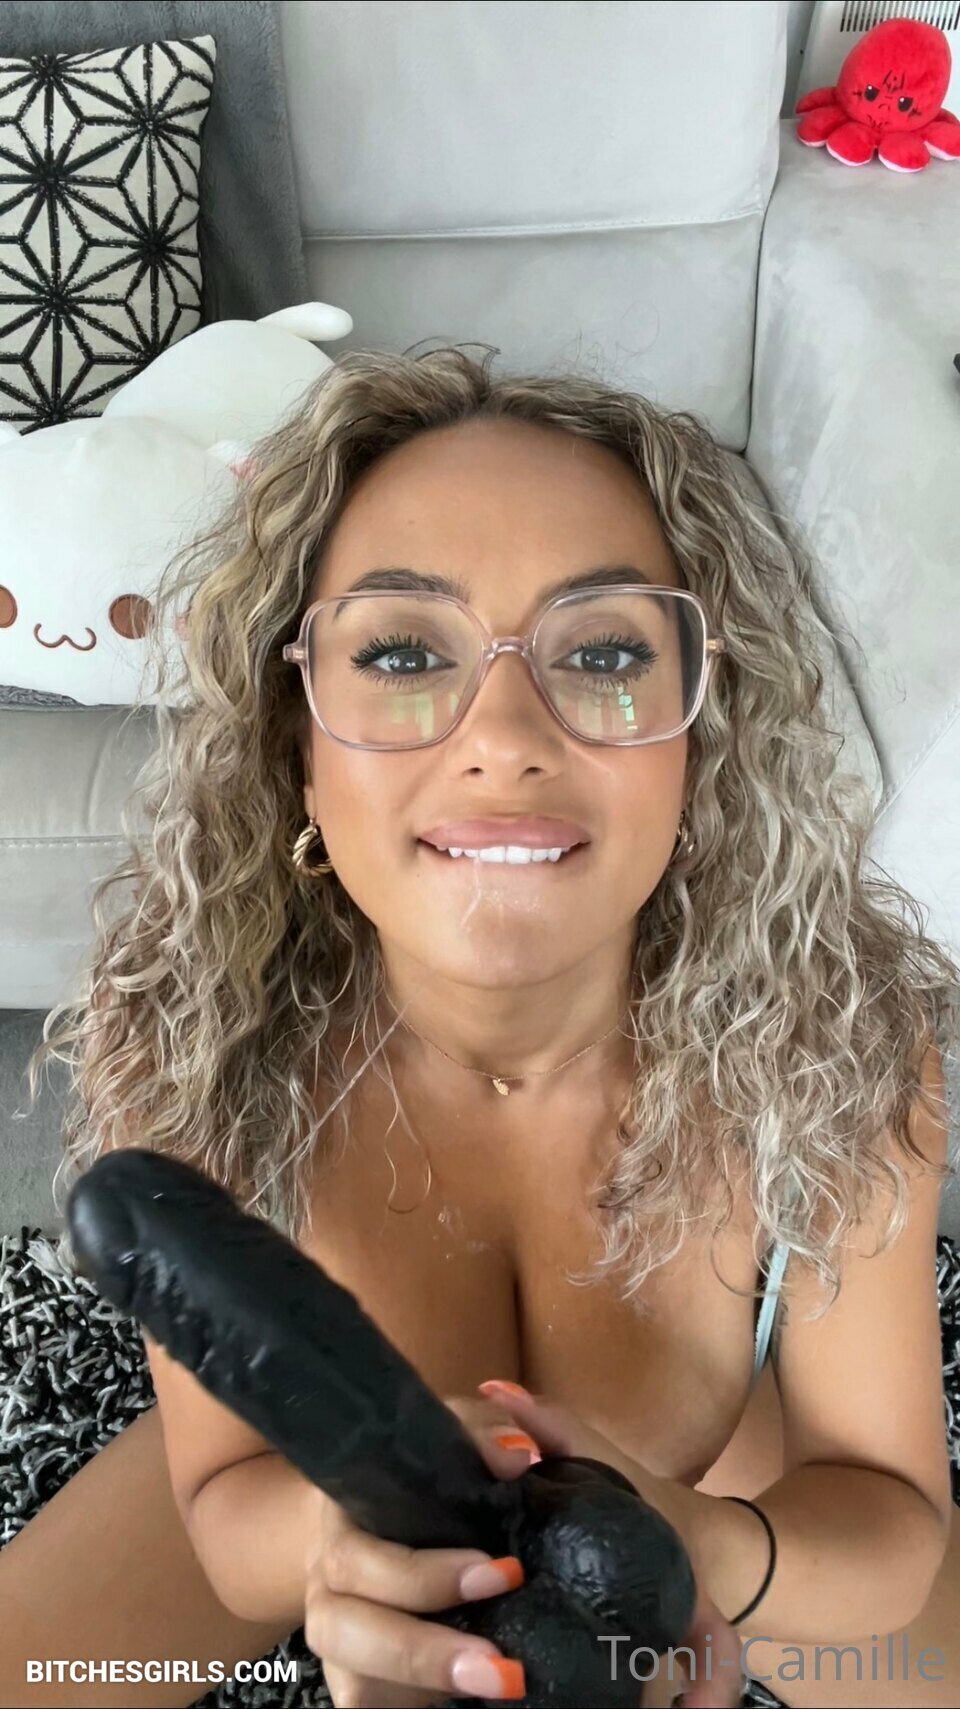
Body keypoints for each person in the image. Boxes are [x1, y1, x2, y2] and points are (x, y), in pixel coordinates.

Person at [7, 346, 958, 1709]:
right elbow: (225, 1504)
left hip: (722, 1472)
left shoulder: (842, 1049)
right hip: (316, 1451)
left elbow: (888, 1518)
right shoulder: (196, 1048)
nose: (504, 735)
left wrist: (715, 1551)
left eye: (604, 651)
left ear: (705, 732)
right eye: (402, 652)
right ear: (294, 741)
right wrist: (339, 1539)